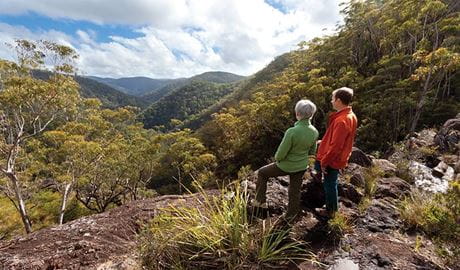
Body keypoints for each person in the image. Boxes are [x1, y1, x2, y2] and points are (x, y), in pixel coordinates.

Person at [253, 99, 318, 221]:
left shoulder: (292, 131)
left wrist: (278, 160)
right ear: (312, 114)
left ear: (297, 113)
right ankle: (291, 215)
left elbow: (280, 154)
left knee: (262, 173)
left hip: (285, 166)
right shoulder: (314, 131)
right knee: (294, 191)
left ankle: (259, 201)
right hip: (301, 166)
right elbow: (312, 152)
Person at [313, 87, 358, 218]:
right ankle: (317, 175)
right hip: (337, 155)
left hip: (333, 159)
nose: (331, 101)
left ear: (338, 100)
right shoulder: (350, 115)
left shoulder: (341, 121)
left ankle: (331, 211)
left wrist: (324, 162)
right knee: (329, 180)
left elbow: (336, 146)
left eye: (332, 99)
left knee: (330, 184)